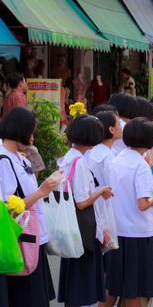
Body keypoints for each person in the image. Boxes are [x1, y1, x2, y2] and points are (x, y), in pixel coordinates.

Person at [0, 107, 61, 307]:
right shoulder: (3, 160)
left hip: (32, 238)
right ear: (20, 131)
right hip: (20, 242)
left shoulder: (19, 156)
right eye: (31, 132)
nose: (33, 137)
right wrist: (42, 191)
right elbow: (9, 209)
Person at [107, 118, 153, 306]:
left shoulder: (117, 159)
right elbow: (142, 203)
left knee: (114, 284)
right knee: (135, 288)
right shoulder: (141, 165)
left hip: (118, 229)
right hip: (138, 232)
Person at [57, 115, 113, 306]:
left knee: (76, 273)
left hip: (73, 223)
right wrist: (101, 191)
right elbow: (81, 202)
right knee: (84, 276)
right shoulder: (79, 162)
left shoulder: (68, 157)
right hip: (84, 225)